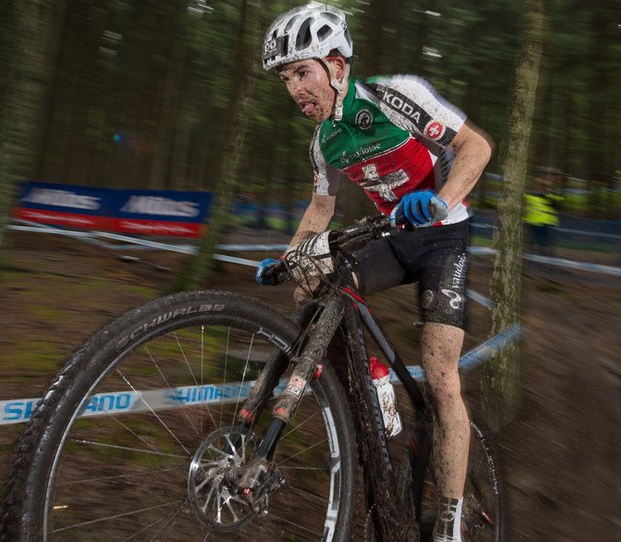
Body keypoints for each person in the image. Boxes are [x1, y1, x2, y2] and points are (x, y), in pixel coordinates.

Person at [255, 4, 492, 541]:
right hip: (391, 235)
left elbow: (475, 147)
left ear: (337, 66)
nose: (294, 89)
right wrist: (289, 257)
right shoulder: (323, 142)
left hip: (442, 234)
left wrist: (437, 201)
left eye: (301, 72)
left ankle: (451, 516)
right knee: (313, 282)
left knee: (441, 378)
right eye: (286, 79)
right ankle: (375, 383)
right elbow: (320, 212)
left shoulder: (394, 94)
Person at [525, 169, 564, 257]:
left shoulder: (551, 195)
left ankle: (547, 255)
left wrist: (548, 196)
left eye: (544, 186)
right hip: (534, 221)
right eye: (540, 186)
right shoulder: (532, 195)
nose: (542, 188)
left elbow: (558, 203)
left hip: (547, 222)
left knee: (546, 242)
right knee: (534, 240)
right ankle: (535, 255)